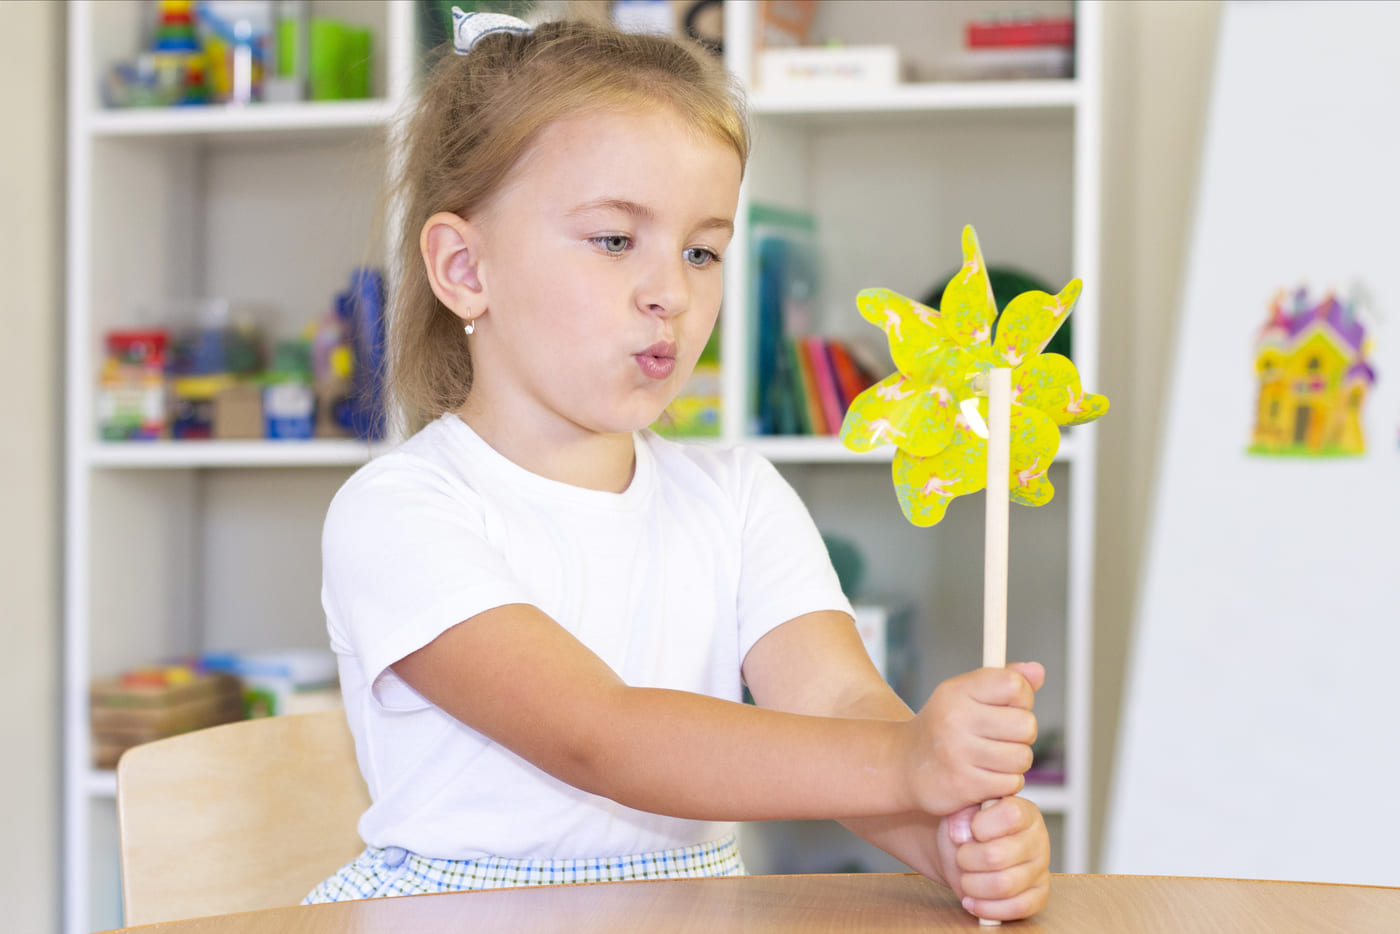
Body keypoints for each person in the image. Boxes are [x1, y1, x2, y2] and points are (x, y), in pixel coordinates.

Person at [305, 8, 1050, 922]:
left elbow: (836, 702)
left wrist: (946, 835)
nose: (672, 292)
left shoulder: (736, 495)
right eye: (616, 240)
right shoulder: (399, 512)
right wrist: (907, 762)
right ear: (464, 267)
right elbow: (601, 737)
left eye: (702, 250)